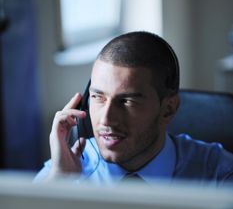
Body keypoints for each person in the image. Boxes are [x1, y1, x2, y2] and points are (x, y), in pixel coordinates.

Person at [35, 31, 233, 185]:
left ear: (168, 109)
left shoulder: (217, 174)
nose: (106, 120)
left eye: (127, 101)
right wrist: (60, 181)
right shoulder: (65, 168)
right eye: (98, 97)